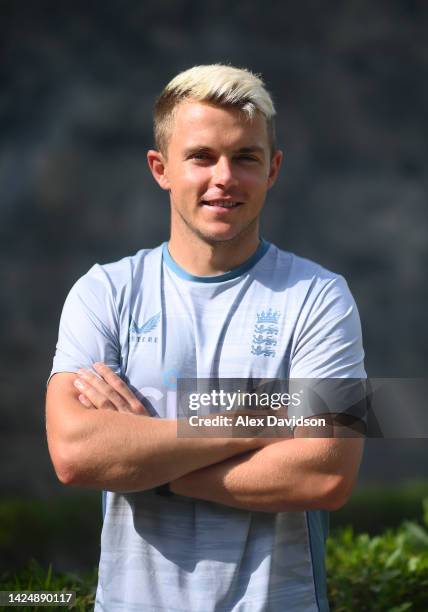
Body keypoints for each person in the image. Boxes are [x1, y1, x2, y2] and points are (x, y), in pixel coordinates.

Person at [46, 64, 366, 612]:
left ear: (273, 170)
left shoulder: (318, 296)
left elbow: (327, 473)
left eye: (246, 157)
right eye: (201, 156)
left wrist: (151, 461)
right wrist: (266, 416)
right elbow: (76, 453)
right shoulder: (105, 291)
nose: (225, 176)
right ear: (160, 167)